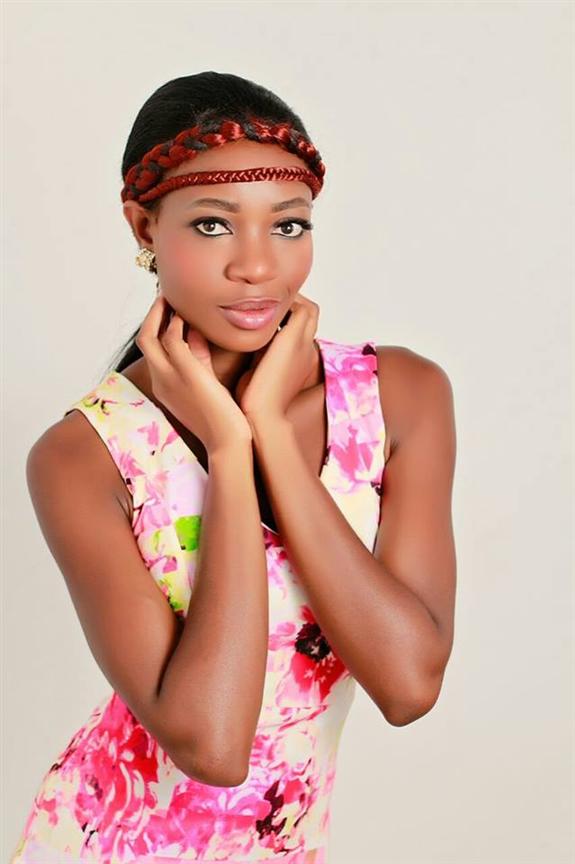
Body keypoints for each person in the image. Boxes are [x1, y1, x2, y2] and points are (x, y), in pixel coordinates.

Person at [10, 71, 457, 863]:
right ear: (143, 225)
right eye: (213, 225)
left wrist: (270, 438)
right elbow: (212, 746)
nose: (257, 266)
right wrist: (227, 449)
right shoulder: (84, 456)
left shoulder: (398, 396)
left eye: (288, 226)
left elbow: (408, 685)